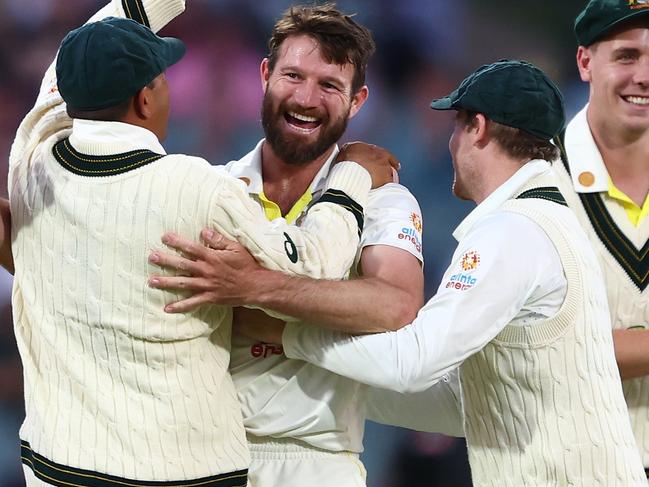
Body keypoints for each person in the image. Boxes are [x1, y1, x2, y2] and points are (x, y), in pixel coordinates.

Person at [156, 60, 648, 486]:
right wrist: (332, 384)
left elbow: (413, 362)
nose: (449, 144)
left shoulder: (511, 233)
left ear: (476, 127)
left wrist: (287, 334)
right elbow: (462, 401)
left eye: (455, 126)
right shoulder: (548, 219)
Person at [7, 1, 395, 485]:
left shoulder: (30, 162)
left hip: (56, 466)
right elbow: (315, 263)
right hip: (179, 471)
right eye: (162, 78)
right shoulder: (197, 187)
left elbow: (56, 82)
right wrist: (351, 177)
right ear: (147, 99)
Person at [147, 3, 463, 487]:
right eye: (293, 76)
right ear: (264, 74)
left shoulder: (385, 198)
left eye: (329, 86)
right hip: (199, 457)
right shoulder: (213, 188)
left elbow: (396, 304)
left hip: (316, 461)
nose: (307, 98)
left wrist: (250, 287)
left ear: (357, 101)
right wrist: (326, 307)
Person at [552, 0, 649, 480]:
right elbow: (549, 348)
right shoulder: (538, 184)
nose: (645, 75)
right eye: (627, 56)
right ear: (585, 62)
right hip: (571, 467)